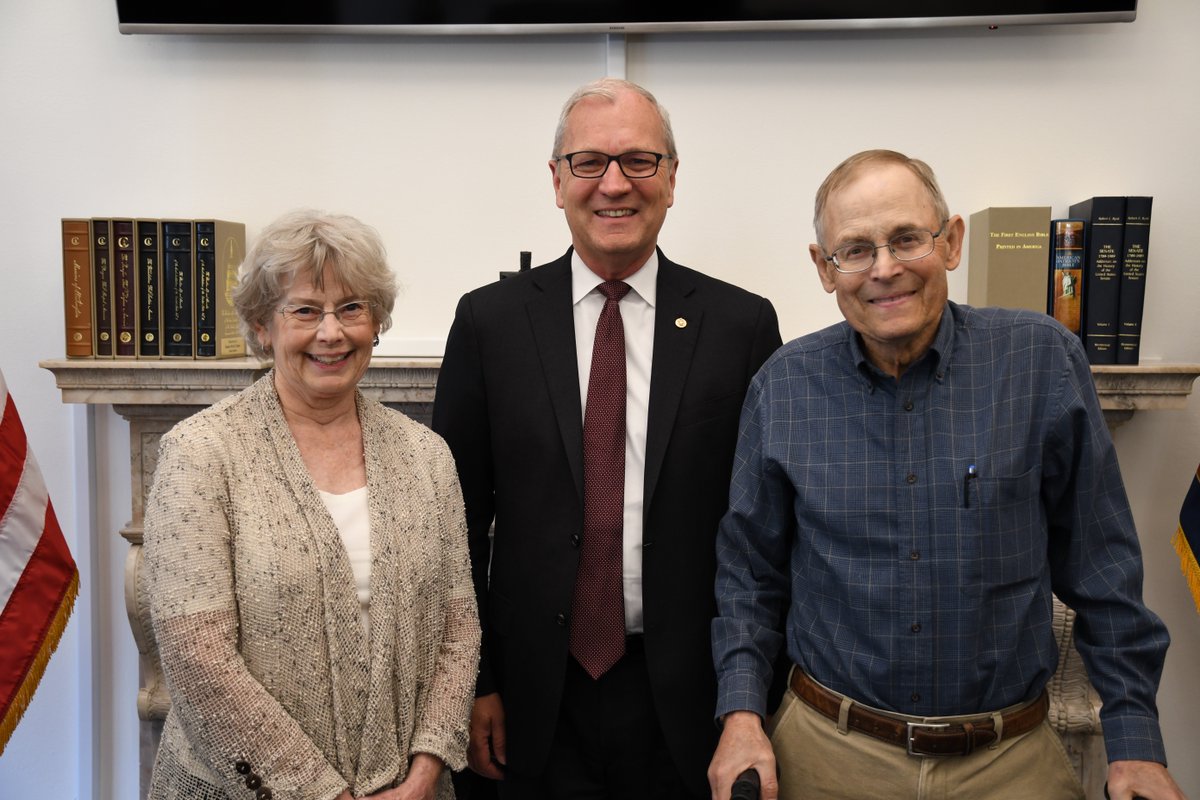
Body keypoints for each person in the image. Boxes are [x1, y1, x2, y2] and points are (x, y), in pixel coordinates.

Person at [708, 150, 1186, 800]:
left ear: (952, 241)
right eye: (856, 250)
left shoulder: (1041, 363)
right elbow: (749, 578)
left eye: (907, 238)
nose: (885, 269)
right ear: (824, 268)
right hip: (827, 755)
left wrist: (1135, 744)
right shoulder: (783, 387)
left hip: (1009, 761)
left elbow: (1103, 568)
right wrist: (740, 717)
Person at [431, 78, 782, 799]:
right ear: (557, 180)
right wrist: (475, 682)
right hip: (529, 700)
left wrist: (746, 700)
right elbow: (453, 525)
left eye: (639, 161)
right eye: (589, 162)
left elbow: (763, 537)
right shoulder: (489, 324)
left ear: (672, 178)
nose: (614, 184)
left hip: (688, 701)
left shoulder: (741, 326)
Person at [143, 210, 480, 800]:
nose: (332, 333)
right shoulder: (200, 453)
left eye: (351, 308)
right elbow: (198, 656)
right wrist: (321, 792)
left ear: (376, 323)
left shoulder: (427, 456)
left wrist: (427, 770)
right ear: (262, 326)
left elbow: (459, 628)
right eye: (304, 310)